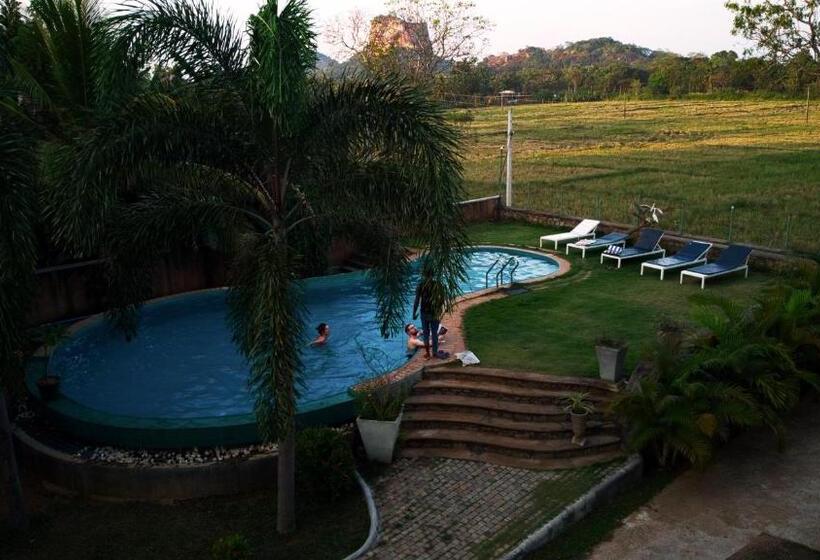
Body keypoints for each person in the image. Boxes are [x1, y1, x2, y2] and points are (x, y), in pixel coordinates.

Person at [412, 267, 447, 359]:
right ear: (433, 274)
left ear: (424, 275)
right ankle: (435, 353)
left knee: (426, 333)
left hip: (424, 312)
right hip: (434, 312)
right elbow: (442, 298)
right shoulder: (438, 284)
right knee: (434, 333)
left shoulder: (420, 285)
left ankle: (427, 353)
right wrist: (439, 308)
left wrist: (414, 313)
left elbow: (416, 300)